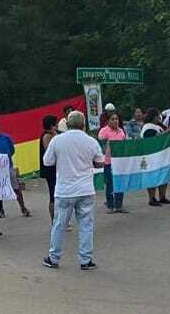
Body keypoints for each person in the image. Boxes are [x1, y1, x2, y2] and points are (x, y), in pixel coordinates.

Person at [41, 110, 105, 270]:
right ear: (83, 124)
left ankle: (53, 258)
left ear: (67, 124)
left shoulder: (57, 140)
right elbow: (100, 162)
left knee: (59, 224)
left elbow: (47, 161)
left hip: (64, 189)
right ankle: (85, 260)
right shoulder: (91, 141)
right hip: (85, 188)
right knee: (86, 225)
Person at [0, 120, 31, 217]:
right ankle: (0, 210)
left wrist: (6, 159)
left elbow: (12, 150)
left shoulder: (6, 138)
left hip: (8, 167)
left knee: (16, 188)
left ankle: (23, 208)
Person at [141, 108, 170, 207]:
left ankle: (162, 196)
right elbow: (153, 139)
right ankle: (152, 198)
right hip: (151, 156)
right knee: (152, 176)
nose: (159, 118)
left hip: (161, 156)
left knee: (163, 175)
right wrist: (166, 133)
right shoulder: (147, 127)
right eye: (157, 116)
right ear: (153, 117)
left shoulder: (158, 126)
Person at [98, 112, 128, 213]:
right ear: (107, 121)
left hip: (120, 161)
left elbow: (124, 145)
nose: (115, 121)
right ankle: (110, 205)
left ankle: (119, 205)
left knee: (120, 182)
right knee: (110, 184)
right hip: (108, 162)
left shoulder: (121, 131)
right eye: (112, 119)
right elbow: (100, 146)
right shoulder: (103, 131)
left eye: (116, 119)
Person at [40, 114, 58, 221]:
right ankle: (54, 219)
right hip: (50, 170)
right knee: (53, 195)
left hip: (54, 169)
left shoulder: (52, 134)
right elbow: (49, 152)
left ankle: (58, 219)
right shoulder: (47, 136)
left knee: (56, 194)